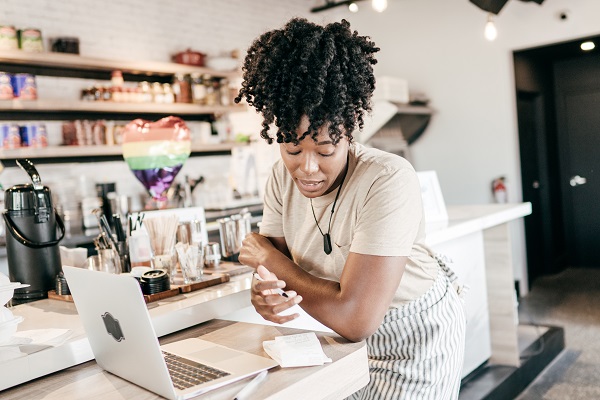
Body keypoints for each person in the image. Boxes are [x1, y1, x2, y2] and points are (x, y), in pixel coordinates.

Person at [235, 18, 466, 400]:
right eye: (293, 149)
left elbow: (356, 318)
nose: (307, 169)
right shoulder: (279, 177)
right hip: (333, 335)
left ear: (350, 133)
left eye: (325, 150)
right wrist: (264, 294)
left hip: (413, 337)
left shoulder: (387, 178)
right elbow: (273, 270)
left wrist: (269, 262)